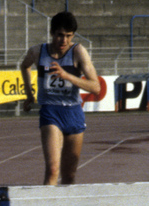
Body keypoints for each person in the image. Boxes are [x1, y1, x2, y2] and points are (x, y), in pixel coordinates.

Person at [20, 11, 100, 185]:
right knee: (53, 170)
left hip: (73, 112)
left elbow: (96, 87)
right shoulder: (37, 52)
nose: (64, 41)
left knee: (69, 176)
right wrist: (29, 94)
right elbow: (24, 66)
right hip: (51, 111)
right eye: (60, 35)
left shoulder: (78, 52)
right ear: (52, 33)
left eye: (69, 36)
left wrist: (68, 76)